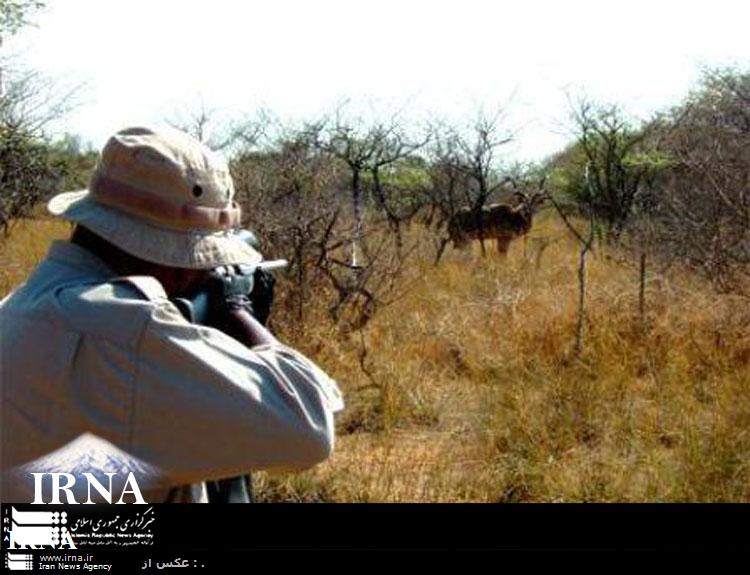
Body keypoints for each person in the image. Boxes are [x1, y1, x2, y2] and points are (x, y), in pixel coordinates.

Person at [0, 126, 344, 503]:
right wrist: (238, 312)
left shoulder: (17, 307)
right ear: (179, 263)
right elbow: (309, 426)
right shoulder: (130, 328)